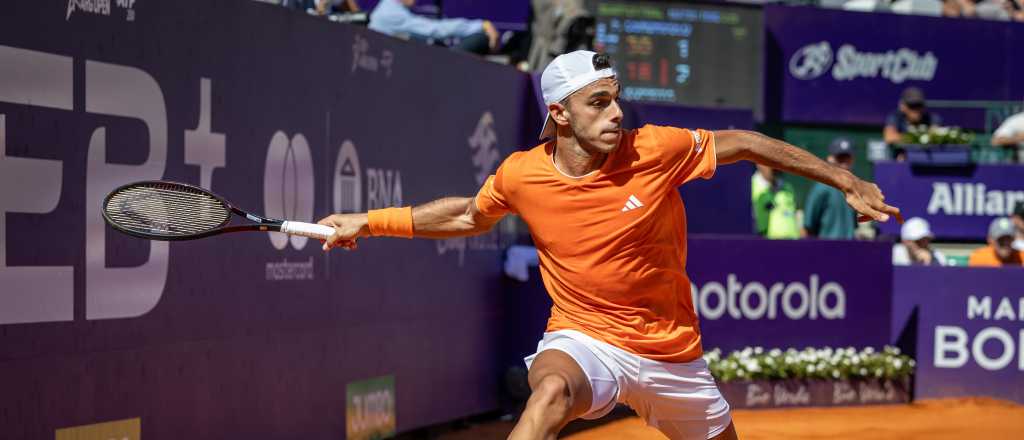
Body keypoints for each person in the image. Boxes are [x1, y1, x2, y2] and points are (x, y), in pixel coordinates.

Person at [317, 51, 900, 440]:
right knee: (549, 393)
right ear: (559, 114)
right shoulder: (522, 174)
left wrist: (845, 179)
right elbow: (470, 214)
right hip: (587, 337)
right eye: (598, 103)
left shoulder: (656, 149)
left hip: (672, 352)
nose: (616, 113)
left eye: (616, 98)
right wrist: (368, 221)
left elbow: (745, 143)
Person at [368, 0, 499, 55]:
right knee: (481, 38)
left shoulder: (388, 9)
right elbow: (436, 30)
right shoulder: (391, 13)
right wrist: (482, 25)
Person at [803, 138, 858, 240]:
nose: (844, 163)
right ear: (830, 159)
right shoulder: (821, 188)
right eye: (840, 158)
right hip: (826, 246)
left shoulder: (855, 189)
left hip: (850, 246)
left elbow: (854, 225)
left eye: (847, 158)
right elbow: (808, 227)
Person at [883, 87, 942, 160]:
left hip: (927, 160)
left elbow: (934, 136)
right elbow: (889, 137)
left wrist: (910, 138)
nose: (916, 110)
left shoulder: (932, 118)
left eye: (918, 105)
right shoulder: (895, 117)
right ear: (902, 106)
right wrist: (920, 138)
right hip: (902, 159)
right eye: (911, 106)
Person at [751, 164, 800, 239]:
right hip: (764, 243)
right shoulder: (750, 186)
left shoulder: (788, 187)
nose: (774, 166)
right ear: (758, 163)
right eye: (769, 161)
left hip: (793, 242)